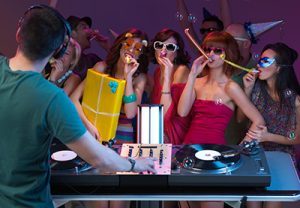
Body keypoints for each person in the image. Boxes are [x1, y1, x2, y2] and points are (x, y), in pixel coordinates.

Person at [0, 5, 155, 208]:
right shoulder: (53, 99)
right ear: (59, 50)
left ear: (19, 33)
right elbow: (99, 158)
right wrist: (135, 164)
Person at [177, 31, 265, 208]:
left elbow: (258, 120)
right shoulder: (197, 82)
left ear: (228, 55)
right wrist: (193, 75)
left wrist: (241, 148)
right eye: (208, 49)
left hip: (215, 158)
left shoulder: (231, 87)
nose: (210, 54)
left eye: (218, 50)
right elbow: (182, 112)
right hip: (189, 152)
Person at [240, 42, 300, 208]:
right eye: (260, 61)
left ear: (279, 68)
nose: (259, 65)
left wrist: (268, 137)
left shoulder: (294, 100)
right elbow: (241, 121)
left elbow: (296, 137)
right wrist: (247, 89)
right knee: (253, 204)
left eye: (265, 61)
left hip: (280, 158)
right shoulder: (256, 89)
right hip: (254, 155)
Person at [71, 28, 149, 144]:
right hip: (95, 128)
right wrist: (88, 125)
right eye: (128, 44)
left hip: (122, 135)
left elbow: (130, 113)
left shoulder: (139, 78)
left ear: (140, 55)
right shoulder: (102, 68)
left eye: (137, 48)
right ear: (120, 45)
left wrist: (128, 77)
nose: (131, 50)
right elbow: (73, 99)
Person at [149, 28, 190, 145]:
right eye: (159, 45)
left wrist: (167, 77)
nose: (163, 51)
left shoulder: (181, 71)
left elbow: (167, 115)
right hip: (160, 133)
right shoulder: (157, 72)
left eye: (170, 47)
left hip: (176, 135)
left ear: (177, 52)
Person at [64, 15, 109, 94]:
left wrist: (106, 46)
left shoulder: (91, 60)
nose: (90, 31)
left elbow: (116, 66)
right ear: (72, 33)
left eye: (89, 28)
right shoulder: (57, 55)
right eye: (84, 28)